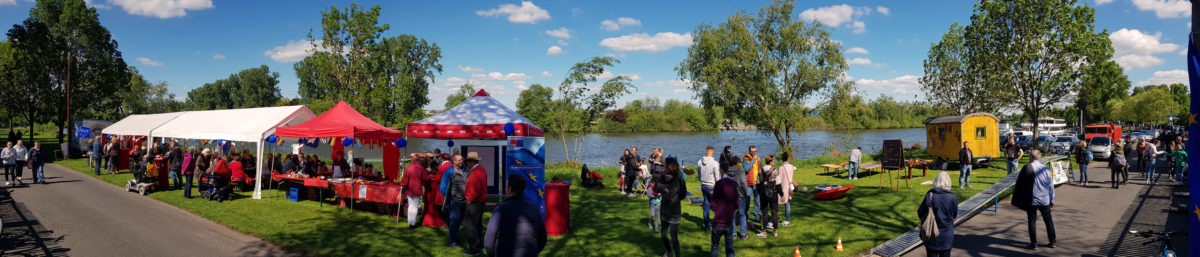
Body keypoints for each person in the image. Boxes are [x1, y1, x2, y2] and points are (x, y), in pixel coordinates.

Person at [484, 174, 547, 257]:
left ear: (509, 189)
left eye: (506, 186)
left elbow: (489, 241)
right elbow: (543, 238)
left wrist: (493, 254)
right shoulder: (534, 208)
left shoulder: (500, 209)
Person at [918, 172, 958, 257]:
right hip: (947, 234)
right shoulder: (953, 197)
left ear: (936, 181)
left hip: (931, 232)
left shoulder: (930, 195)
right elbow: (954, 215)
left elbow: (920, 213)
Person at [654, 157, 687, 257]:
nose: (664, 167)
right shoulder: (663, 177)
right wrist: (664, 188)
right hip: (664, 211)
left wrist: (669, 194)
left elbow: (681, 194)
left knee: (674, 237)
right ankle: (669, 251)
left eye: (665, 165)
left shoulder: (679, 178)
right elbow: (656, 188)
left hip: (674, 212)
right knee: (663, 236)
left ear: (669, 166)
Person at [1025, 150, 1056, 250]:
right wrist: (1052, 199)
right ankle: (1052, 241)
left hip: (1032, 199)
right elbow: (1050, 186)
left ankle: (1033, 243)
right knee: (1048, 221)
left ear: (1031, 157)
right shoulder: (1046, 170)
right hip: (1044, 199)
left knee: (1032, 221)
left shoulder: (1028, 169)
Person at [463, 152, 488, 256]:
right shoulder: (481, 169)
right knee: (477, 224)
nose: (466, 164)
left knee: (471, 226)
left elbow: (474, 190)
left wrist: (469, 199)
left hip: (474, 202)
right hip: (480, 201)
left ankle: (474, 249)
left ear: (471, 162)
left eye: (467, 162)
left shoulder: (475, 172)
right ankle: (480, 244)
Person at [721, 146, 749, 239]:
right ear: (737, 163)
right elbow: (744, 184)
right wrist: (746, 194)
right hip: (740, 195)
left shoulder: (726, 172)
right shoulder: (741, 172)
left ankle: (733, 233)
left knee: (731, 215)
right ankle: (743, 233)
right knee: (742, 214)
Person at [710, 166, 738, 257]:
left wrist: (715, 208)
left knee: (715, 246)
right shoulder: (733, 183)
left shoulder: (718, 184)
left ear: (721, 171)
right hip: (728, 221)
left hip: (718, 220)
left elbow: (713, 202)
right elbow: (736, 202)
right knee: (729, 247)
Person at [443, 153, 467, 248]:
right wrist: (450, 197)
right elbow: (443, 187)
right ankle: (452, 241)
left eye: (462, 159)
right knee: (454, 221)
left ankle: (457, 239)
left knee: (459, 221)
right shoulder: (449, 172)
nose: (462, 161)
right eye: (459, 160)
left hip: (464, 201)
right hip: (455, 202)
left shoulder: (464, 169)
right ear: (454, 161)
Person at [399, 153, 426, 228]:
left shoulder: (408, 168)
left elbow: (404, 179)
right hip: (417, 189)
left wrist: (403, 186)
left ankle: (410, 222)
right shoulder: (421, 168)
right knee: (415, 206)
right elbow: (425, 179)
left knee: (411, 206)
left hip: (409, 189)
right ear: (419, 160)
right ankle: (412, 224)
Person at [697, 146, 720, 232]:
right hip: (712, 186)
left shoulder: (699, 162)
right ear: (712, 152)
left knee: (706, 205)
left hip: (703, 186)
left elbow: (698, 175)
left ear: (706, 152)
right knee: (716, 206)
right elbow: (717, 178)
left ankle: (707, 226)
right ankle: (717, 224)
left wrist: (703, 181)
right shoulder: (715, 163)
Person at [423, 153, 449, 227]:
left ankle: (445, 221)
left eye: (431, 157)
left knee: (441, 204)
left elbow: (437, 177)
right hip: (448, 186)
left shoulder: (440, 166)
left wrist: (431, 173)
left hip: (440, 186)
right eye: (430, 158)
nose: (431, 159)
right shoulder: (451, 166)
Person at [756, 155, 779, 238]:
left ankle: (764, 231)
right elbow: (778, 184)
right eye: (773, 160)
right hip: (773, 193)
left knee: (764, 212)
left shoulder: (760, 170)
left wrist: (759, 192)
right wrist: (781, 193)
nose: (774, 162)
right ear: (771, 161)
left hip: (763, 193)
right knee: (774, 211)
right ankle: (775, 230)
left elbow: (758, 183)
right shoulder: (775, 171)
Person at [742, 146, 761, 221]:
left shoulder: (758, 158)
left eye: (755, 151)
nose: (754, 153)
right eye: (753, 151)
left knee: (757, 201)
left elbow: (761, 168)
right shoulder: (745, 158)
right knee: (747, 201)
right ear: (749, 151)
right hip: (749, 184)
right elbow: (746, 169)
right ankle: (745, 217)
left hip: (757, 182)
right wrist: (752, 160)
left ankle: (756, 217)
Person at [777, 152, 795, 227]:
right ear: (788, 158)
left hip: (783, 187)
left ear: (782, 158)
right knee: (787, 204)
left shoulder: (781, 168)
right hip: (789, 187)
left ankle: (774, 218)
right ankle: (787, 220)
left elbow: (779, 179)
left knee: (776, 203)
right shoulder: (791, 166)